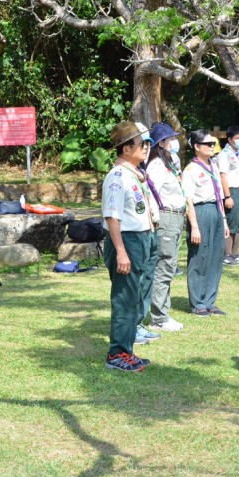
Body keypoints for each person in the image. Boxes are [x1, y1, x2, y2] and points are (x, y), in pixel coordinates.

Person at [102, 121, 158, 371]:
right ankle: (117, 354)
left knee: (135, 296)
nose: (146, 148)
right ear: (125, 148)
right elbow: (112, 217)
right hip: (126, 240)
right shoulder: (116, 177)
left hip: (141, 238)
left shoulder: (134, 174)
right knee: (125, 299)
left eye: (147, 143)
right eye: (141, 143)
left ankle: (127, 350)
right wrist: (122, 251)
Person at [182, 130, 229, 317]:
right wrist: (194, 226)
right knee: (199, 257)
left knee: (216, 257)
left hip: (216, 212)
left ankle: (210, 301)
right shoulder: (191, 170)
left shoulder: (214, 166)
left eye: (213, 144)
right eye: (208, 144)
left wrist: (224, 220)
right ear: (196, 147)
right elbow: (188, 200)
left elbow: (219, 197)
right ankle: (198, 303)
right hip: (200, 212)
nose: (212, 147)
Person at [145, 122, 186, 333]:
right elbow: (151, 195)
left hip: (176, 217)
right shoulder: (156, 166)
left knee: (170, 265)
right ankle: (159, 317)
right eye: (171, 139)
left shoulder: (169, 163)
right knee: (164, 266)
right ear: (162, 143)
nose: (175, 142)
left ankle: (162, 312)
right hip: (166, 218)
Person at [216, 126, 239, 265]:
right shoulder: (224, 155)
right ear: (230, 140)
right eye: (237, 138)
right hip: (232, 191)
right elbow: (223, 176)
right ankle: (227, 254)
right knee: (231, 224)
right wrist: (228, 196)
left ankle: (236, 253)